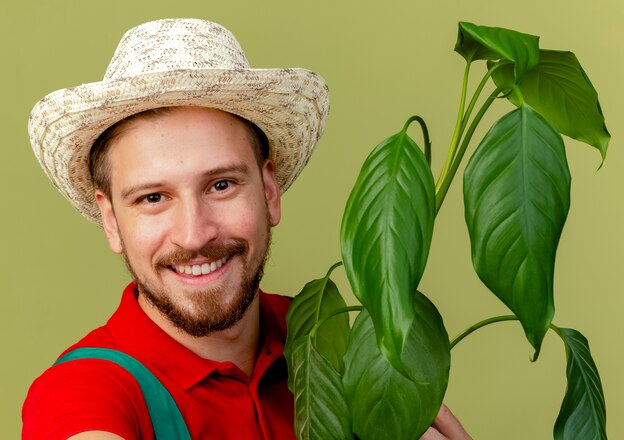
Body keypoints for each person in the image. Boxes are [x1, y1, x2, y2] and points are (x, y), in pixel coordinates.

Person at [22, 18, 470, 440]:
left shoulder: (333, 339)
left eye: (221, 185)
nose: (195, 235)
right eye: (153, 198)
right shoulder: (82, 393)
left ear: (269, 191)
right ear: (111, 221)